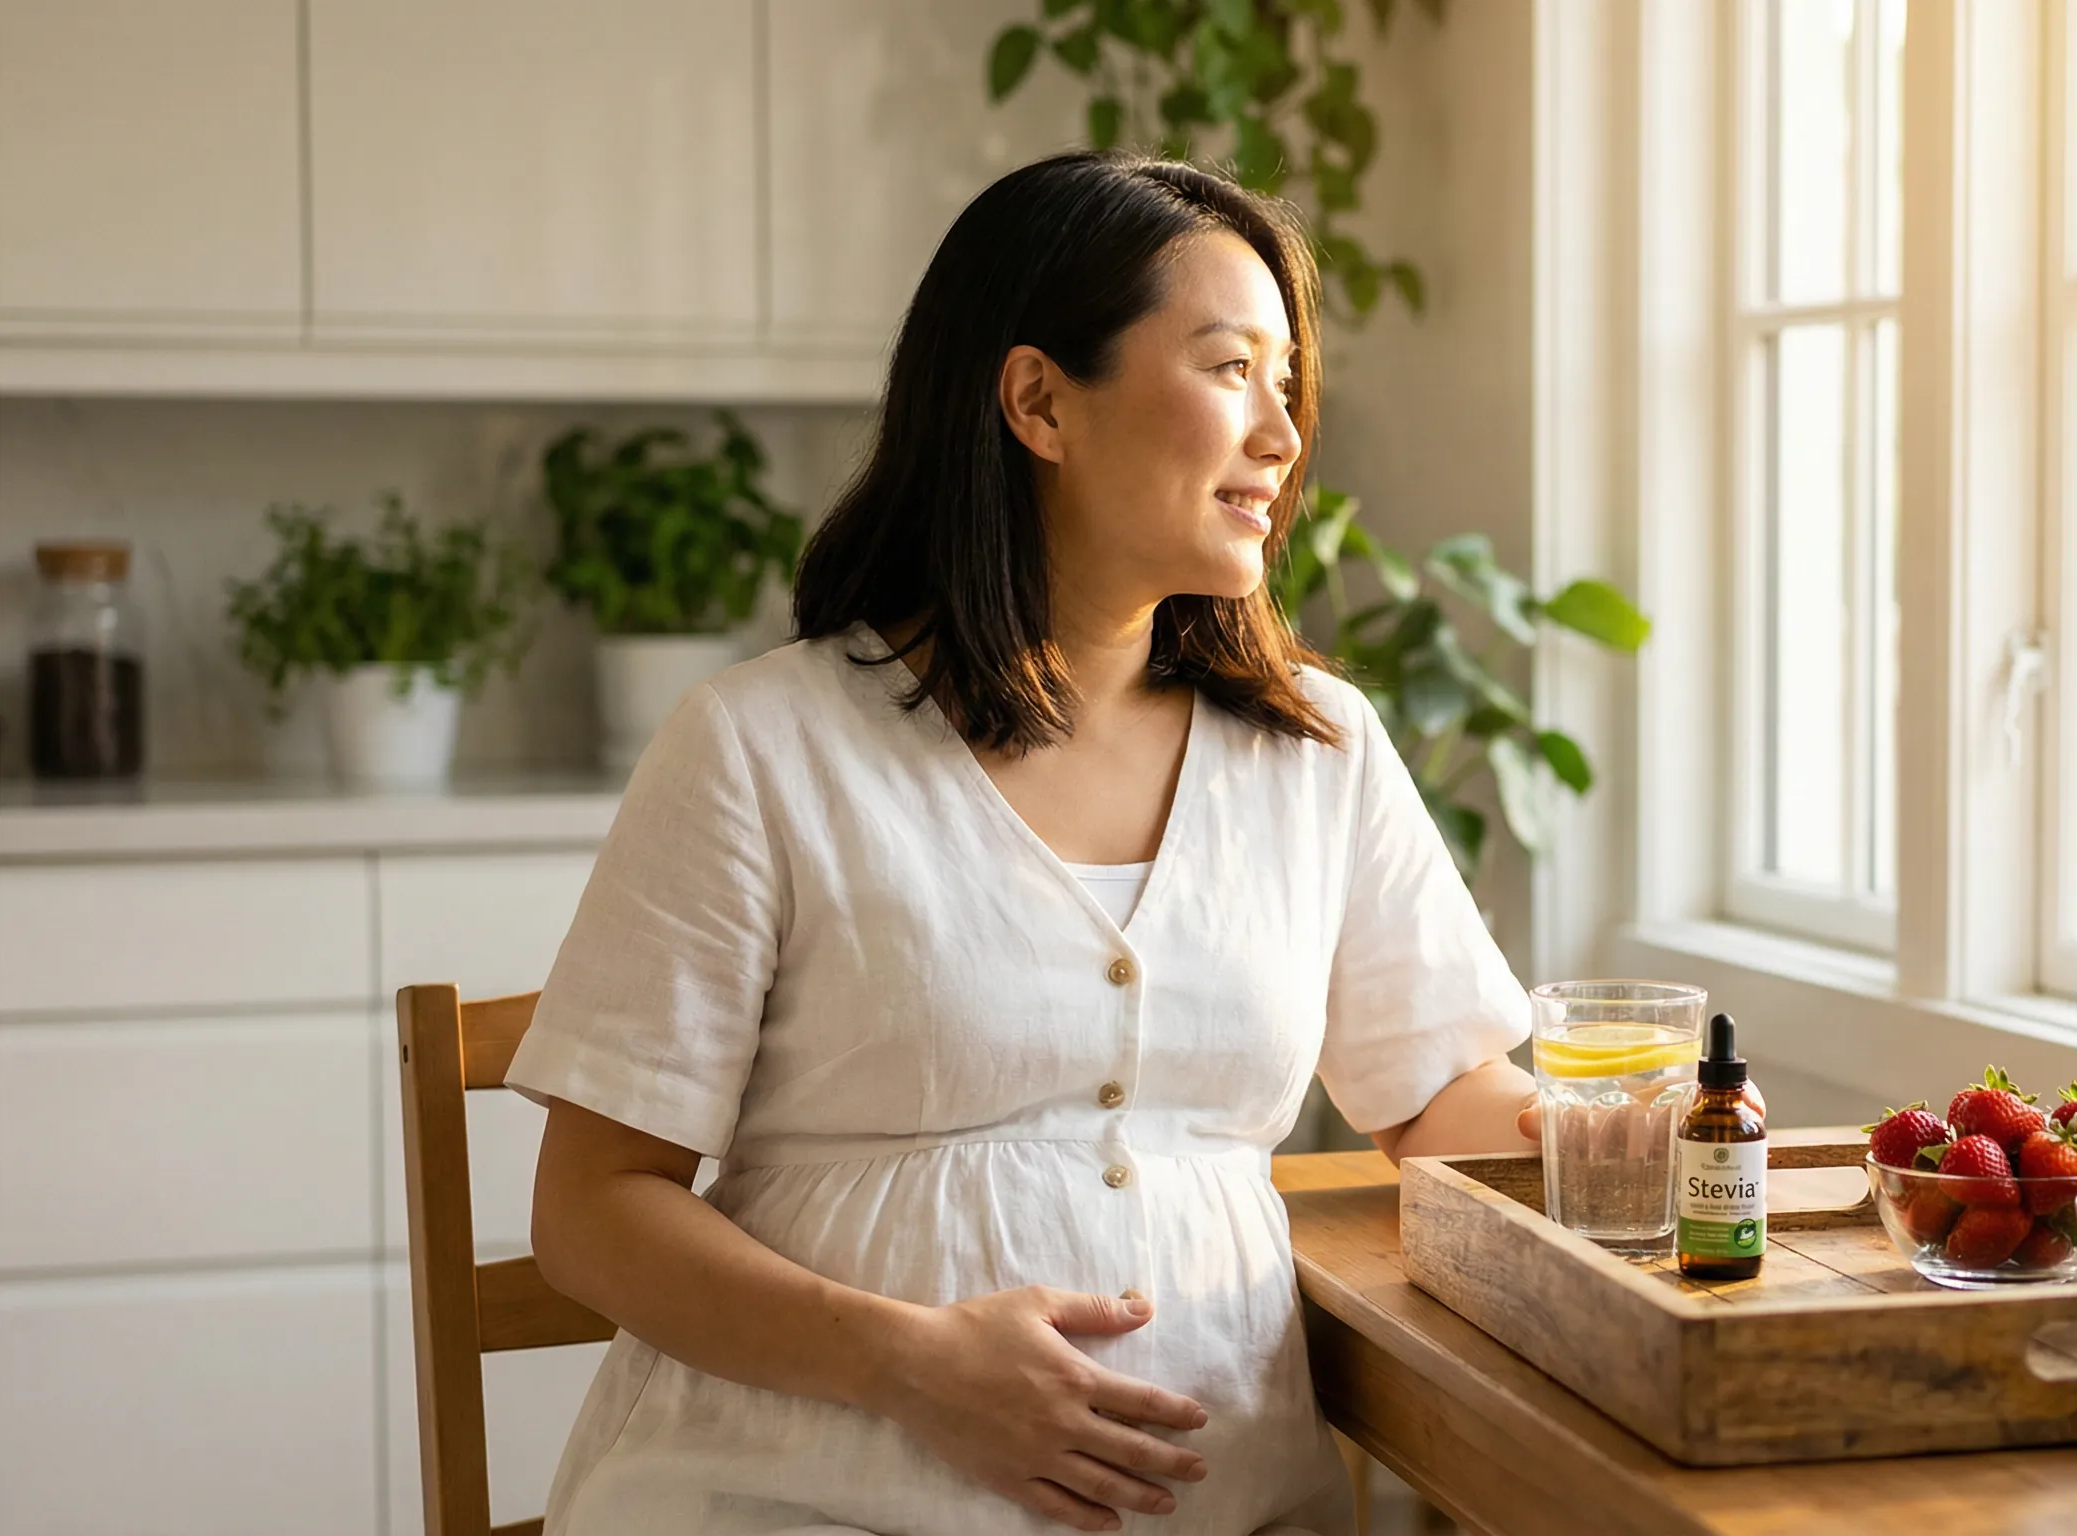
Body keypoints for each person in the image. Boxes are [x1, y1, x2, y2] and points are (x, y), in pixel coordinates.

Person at [506, 151, 1539, 1536]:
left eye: (1288, 385)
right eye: (1232, 370)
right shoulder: (759, 748)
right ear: (1040, 401)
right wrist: (906, 1364)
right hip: (791, 1497)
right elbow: (592, 1211)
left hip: (1221, 1510)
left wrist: (1612, 1133)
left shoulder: (1317, 752)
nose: (1284, 437)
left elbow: (1439, 1096)